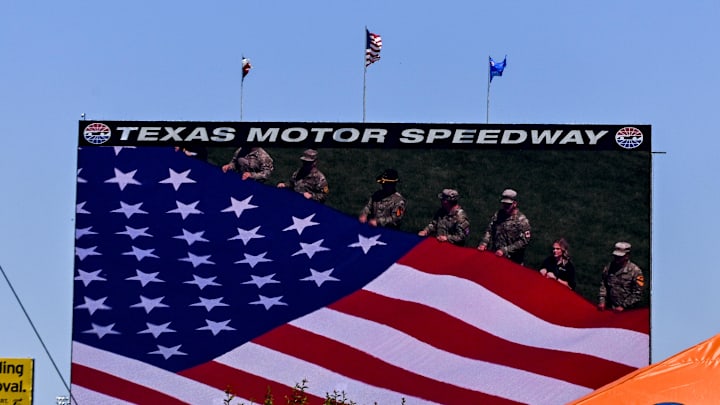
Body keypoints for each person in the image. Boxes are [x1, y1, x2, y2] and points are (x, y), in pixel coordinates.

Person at [477, 188, 531, 265]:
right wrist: (484, 243)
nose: (505, 207)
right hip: (495, 256)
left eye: (508, 205)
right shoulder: (498, 215)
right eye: (504, 204)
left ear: (514, 204)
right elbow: (490, 230)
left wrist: (505, 250)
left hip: (512, 260)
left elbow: (524, 241)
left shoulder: (522, 221)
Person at [598, 241, 645, 312]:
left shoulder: (636, 272)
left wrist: (623, 306)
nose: (617, 259)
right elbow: (603, 284)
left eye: (620, 257)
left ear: (627, 255)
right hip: (610, 308)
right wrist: (602, 301)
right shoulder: (609, 267)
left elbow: (638, 294)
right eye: (615, 256)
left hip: (628, 311)